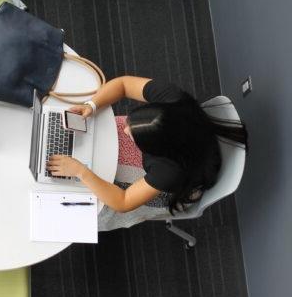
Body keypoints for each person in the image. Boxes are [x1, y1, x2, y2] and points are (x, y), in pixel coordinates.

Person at [46, 76, 248, 230]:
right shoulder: (173, 98)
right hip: (189, 143)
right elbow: (124, 84)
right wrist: (91, 105)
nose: (125, 131)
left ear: (155, 149)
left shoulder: (168, 171)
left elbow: (123, 202)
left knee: (92, 207)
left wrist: (81, 171)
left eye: (132, 135)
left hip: (175, 187)